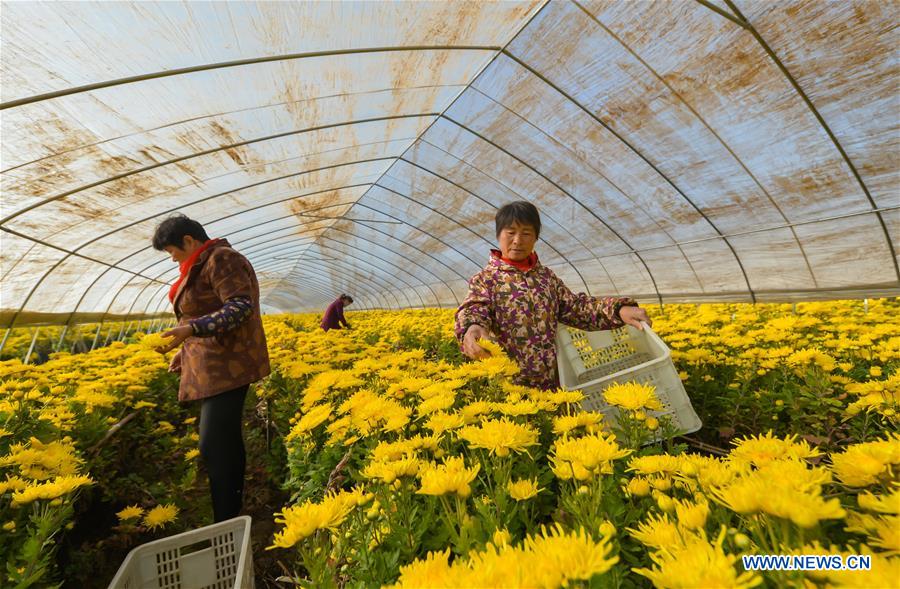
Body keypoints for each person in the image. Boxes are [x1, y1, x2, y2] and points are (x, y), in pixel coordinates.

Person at [455, 201, 651, 391]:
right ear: (499, 235)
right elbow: (475, 308)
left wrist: (618, 310)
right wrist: (472, 327)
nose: (517, 240)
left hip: (554, 387)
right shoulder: (486, 280)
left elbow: (577, 308)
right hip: (511, 391)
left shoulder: (546, 278)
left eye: (526, 233)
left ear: (536, 238)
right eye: (511, 232)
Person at [151, 214, 270, 522]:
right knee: (222, 439)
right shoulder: (201, 264)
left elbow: (239, 307)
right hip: (215, 365)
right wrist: (185, 351)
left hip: (230, 364)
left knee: (214, 442)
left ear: (189, 240)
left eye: (172, 251)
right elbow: (200, 312)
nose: (172, 258)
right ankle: (229, 513)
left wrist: (191, 330)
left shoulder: (221, 259)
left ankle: (227, 517)